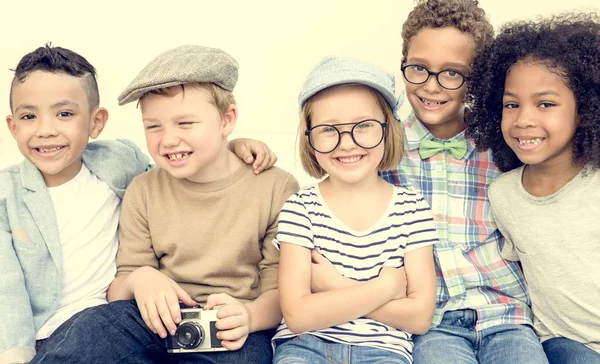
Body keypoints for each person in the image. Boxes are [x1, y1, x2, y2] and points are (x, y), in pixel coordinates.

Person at [0, 44, 277, 364]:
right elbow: (6, 290)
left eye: (64, 113)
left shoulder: (120, 161)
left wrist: (231, 146)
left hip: (202, 318)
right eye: (29, 116)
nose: (46, 130)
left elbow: (184, 170)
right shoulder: (7, 194)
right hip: (58, 329)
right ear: (13, 125)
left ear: (96, 122)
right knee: (90, 333)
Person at [378, 1, 550, 362]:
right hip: (433, 323)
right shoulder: (381, 145)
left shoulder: (507, 143)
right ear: (403, 63)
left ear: (478, 77)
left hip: (507, 316)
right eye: (419, 69)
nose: (432, 86)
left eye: (452, 73)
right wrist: (240, 147)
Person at [272, 55, 438, 364]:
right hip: (305, 346)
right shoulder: (299, 209)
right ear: (308, 138)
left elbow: (418, 318)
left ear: (388, 129)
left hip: (384, 352)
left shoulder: (412, 210)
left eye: (363, 126)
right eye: (328, 129)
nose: (346, 143)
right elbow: (297, 315)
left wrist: (334, 285)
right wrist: (386, 287)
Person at [466, 13, 600, 364]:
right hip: (563, 344)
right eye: (512, 104)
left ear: (585, 109)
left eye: (545, 104)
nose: (524, 119)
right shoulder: (504, 194)